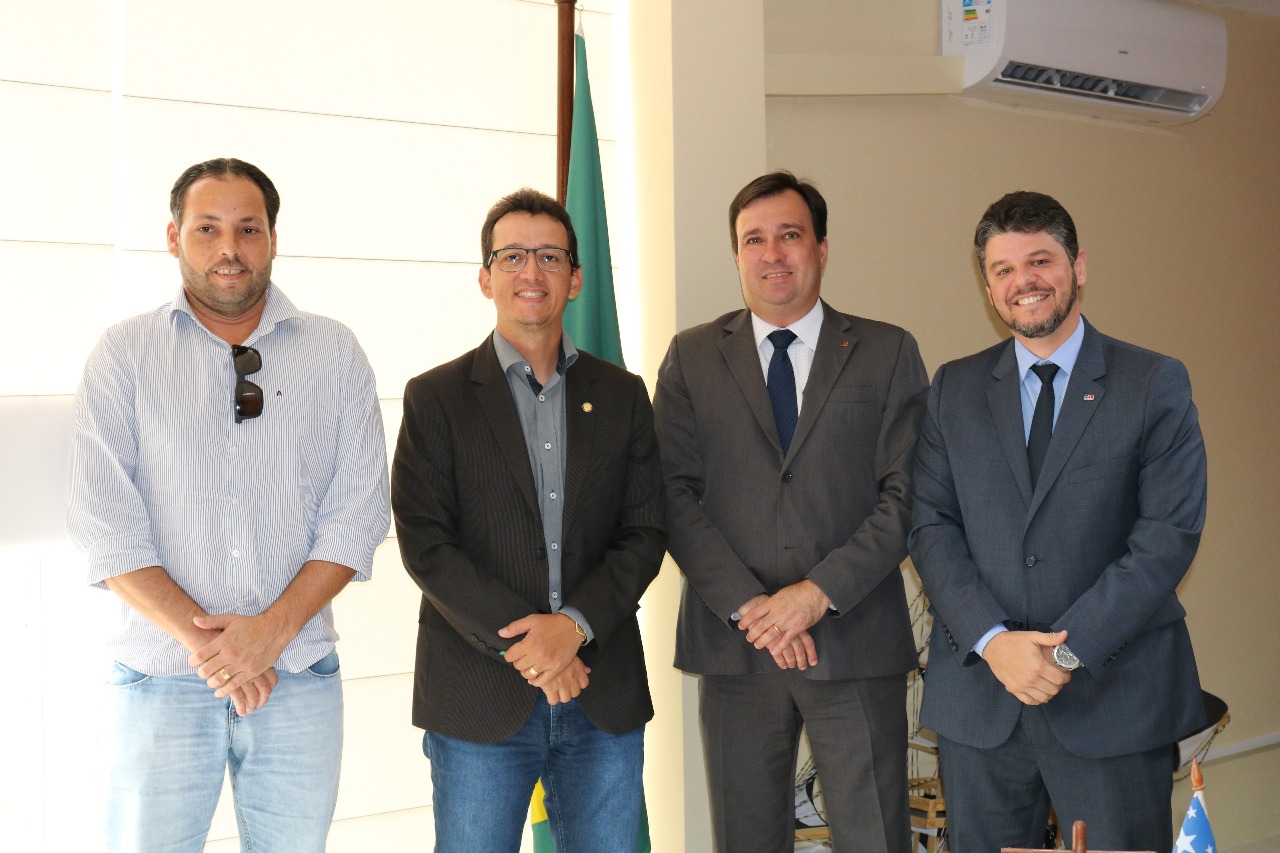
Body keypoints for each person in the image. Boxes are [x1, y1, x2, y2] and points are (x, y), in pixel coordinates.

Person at [67, 157, 390, 852]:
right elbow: (105, 524)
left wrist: (270, 633)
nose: (229, 248)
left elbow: (359, 511)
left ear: (273, 238)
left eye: (248, 228)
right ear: (174, 237)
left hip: (296, 671)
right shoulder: (124, 355)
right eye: (207, 228)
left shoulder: (334, 352)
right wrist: (218, 650)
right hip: (160, 673)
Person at [909, 190, 1207, 853]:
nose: (1025, 281)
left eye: (1040, 260)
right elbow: (930, 526)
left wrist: (1062, 654)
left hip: (1113, 700)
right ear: (989, 286)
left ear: (1078, 266)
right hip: (981, 702)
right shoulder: (953, 389)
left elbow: (1167, 538)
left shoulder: (1153, 382)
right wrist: (995, 643)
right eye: (1004, 269)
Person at [653, 171, 928, 852]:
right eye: (754, 239)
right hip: (736, 648)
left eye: (789, 235)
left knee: (876, 839)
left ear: (822, 248)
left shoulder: (887, 350)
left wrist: (814, 594)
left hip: (853, 641)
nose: (772, 253)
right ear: (737, 255)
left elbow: (908, 494)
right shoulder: (691, 356)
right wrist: (753, 607)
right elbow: (670, 493)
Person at [391, 188, 665, 853]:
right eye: (512, 256)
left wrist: (572, 628)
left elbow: (645, 531)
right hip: (478, 697)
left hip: (601, 692)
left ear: (576, 277)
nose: (531, 271)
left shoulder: (623, 394)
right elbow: (427, 545)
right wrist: (537, 650)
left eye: (549, 256)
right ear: (486, 277)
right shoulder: (435, 398)